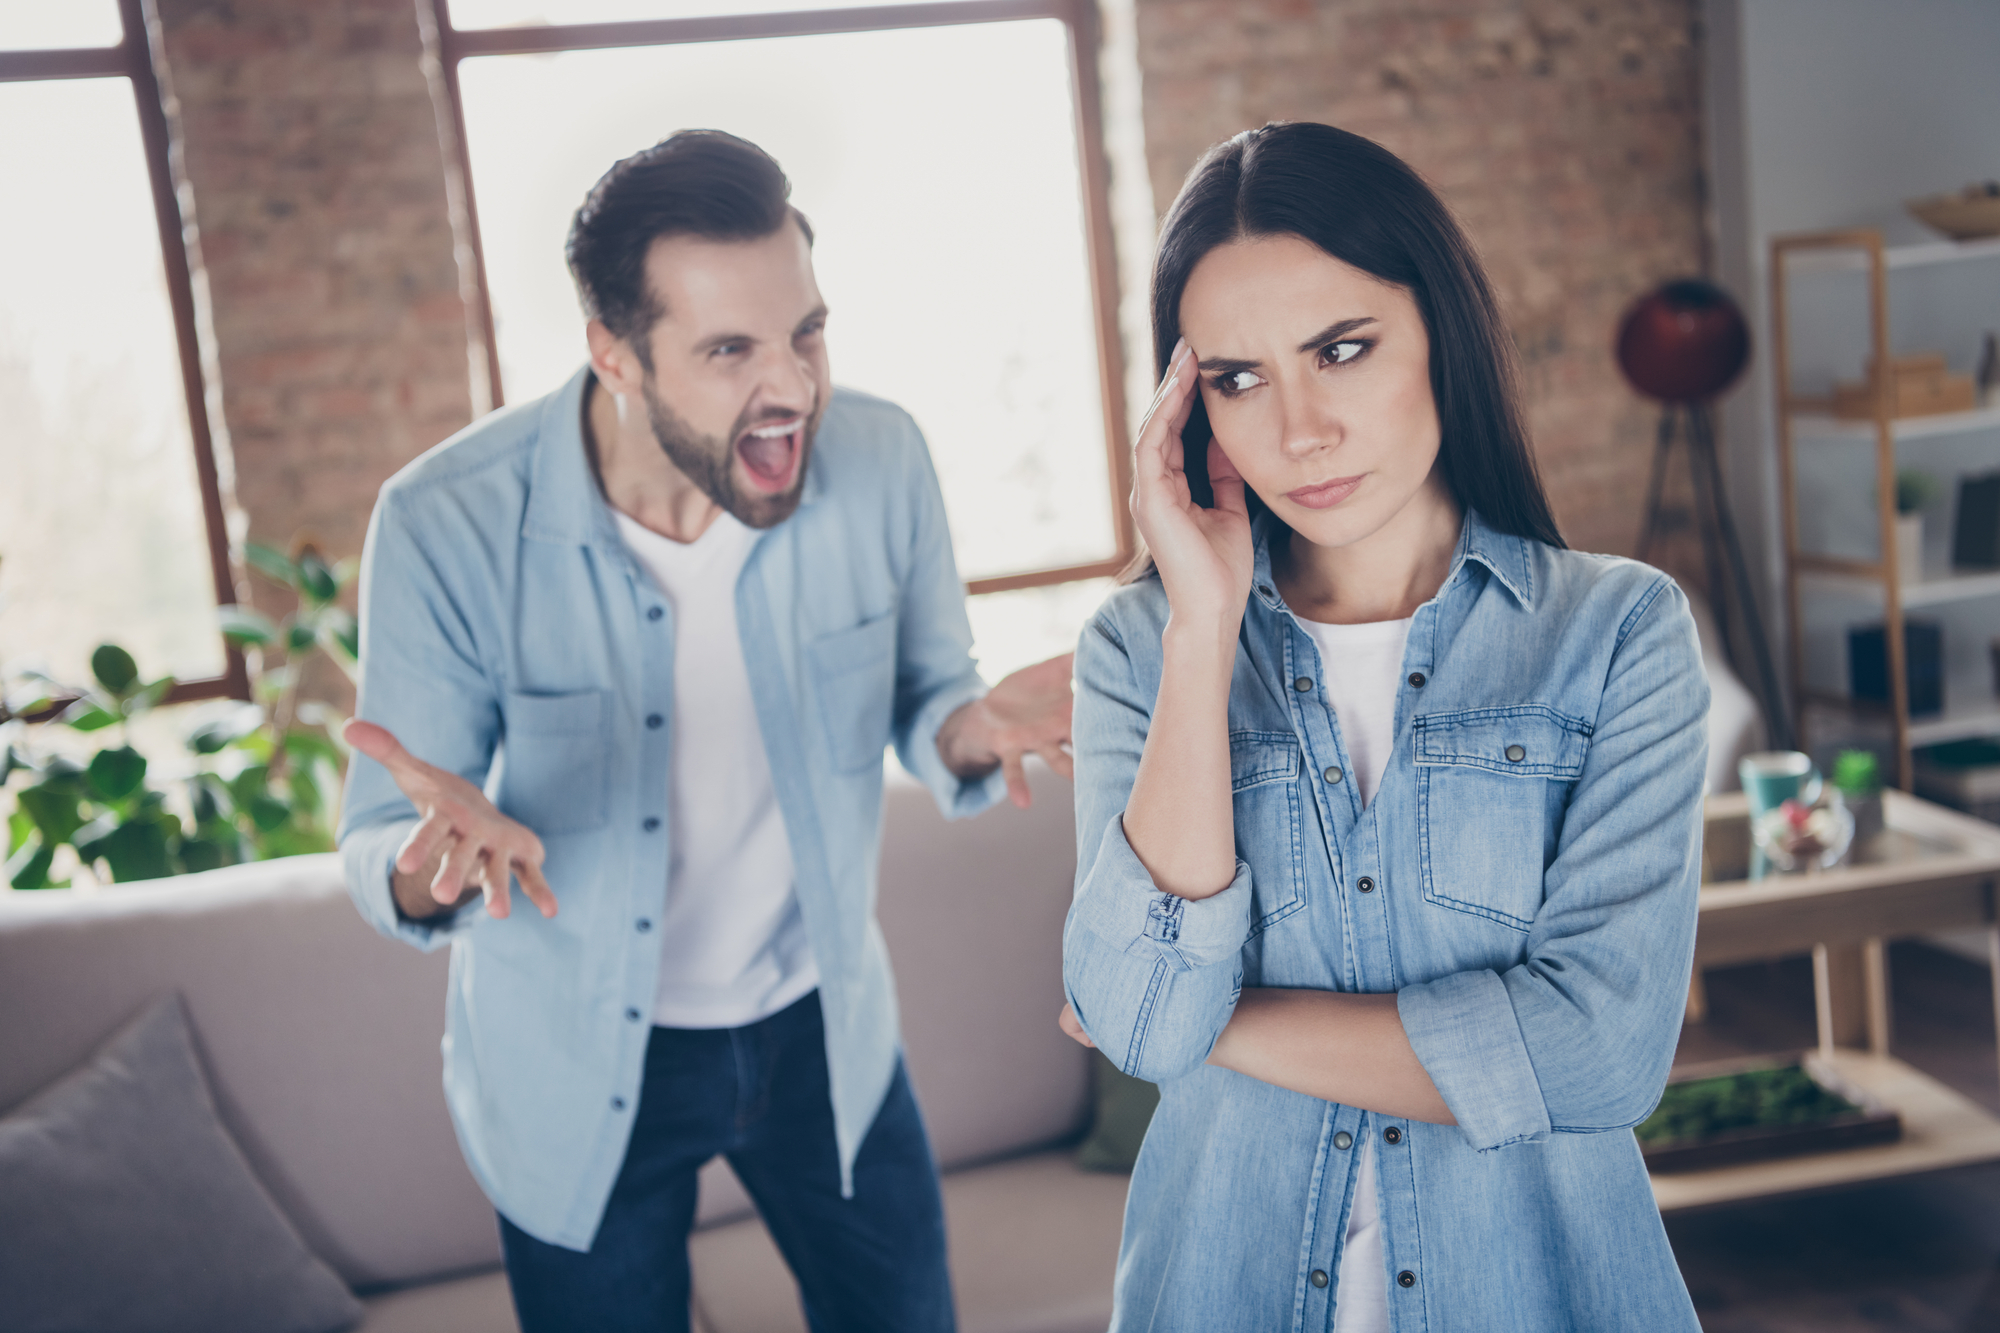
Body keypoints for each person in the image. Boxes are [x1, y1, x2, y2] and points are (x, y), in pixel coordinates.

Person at [336, 129, 1073, 1333]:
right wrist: (434, 866)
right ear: (614, 354)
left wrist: (975, 728)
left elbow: (935, 700)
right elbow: (387, 837)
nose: (789, 387)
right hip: (576, 1054)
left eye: (805, 333)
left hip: (821, 1020)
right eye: (728, 349)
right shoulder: (443, 521)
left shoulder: (881, 461)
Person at [1057, 121, 1710, 1331]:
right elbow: (1139, 1034)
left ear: (1437, 335)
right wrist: (1201, 631)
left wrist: (1213, 1016)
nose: (1296, 428)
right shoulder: (1137, 650)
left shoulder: (1615, 634)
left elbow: (1601, 1055)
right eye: (1237, 377)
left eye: (1341, 349)